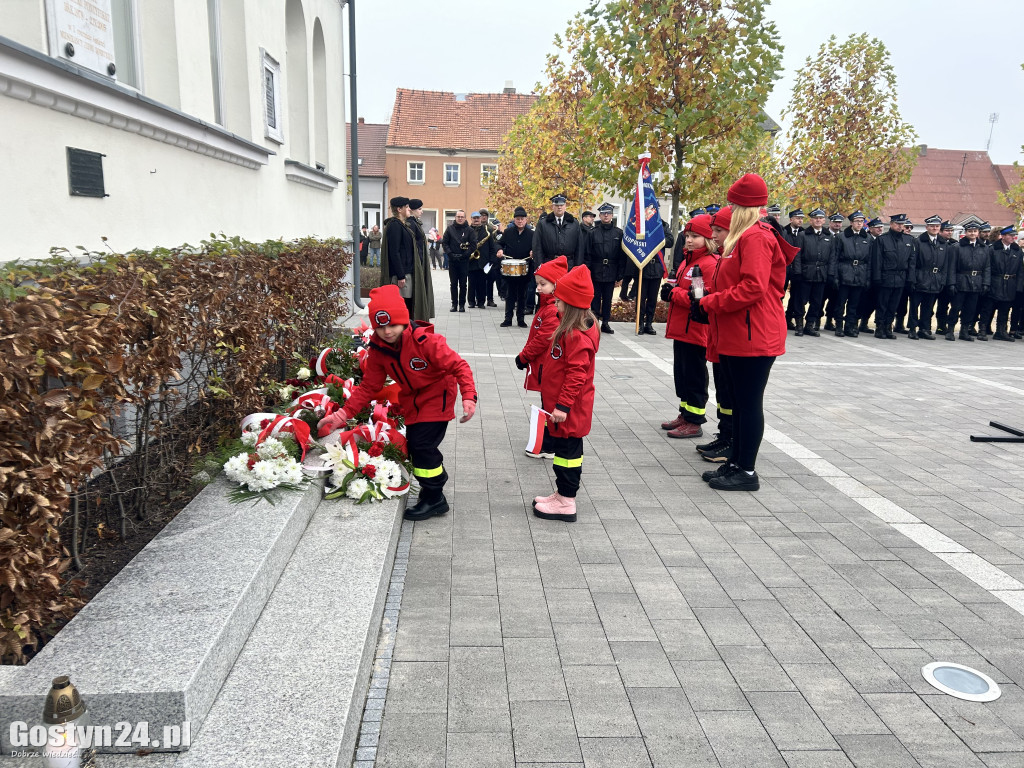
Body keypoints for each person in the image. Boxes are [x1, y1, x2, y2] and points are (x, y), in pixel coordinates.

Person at [316, 285, 477, 521]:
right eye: (380, 327)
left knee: (422, 446)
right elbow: (369, 388)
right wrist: (341, 416)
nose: (387, 332)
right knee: (416, 447)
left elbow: (459, 366)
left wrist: (469, 397)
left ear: (404, 321)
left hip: (437, 397)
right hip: (413, 400)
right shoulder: (379, 351)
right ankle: (431, 487)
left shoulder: (427, 342)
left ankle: (435, 498)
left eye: (392, 325)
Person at [689, 174, 798, 492]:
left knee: (748, 403)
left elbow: (752, 287)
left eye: (734, 204)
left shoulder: (755, 238)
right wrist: (706, 295)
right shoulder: (742, 238)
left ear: (746, 207)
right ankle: (735, 461)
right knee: (737, 401)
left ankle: (746, 471)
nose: (729, 209)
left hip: (756, 335)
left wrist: (710, 302)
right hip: (740, 333)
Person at [530, 265, 600, 522]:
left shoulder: (577, 336)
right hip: (563, 407)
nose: (555, 303)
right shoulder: (569, 328)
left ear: (570, 305)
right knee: (563, 451)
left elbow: (576, 376)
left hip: (569, 410)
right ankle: (561, 494)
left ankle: (567, 501)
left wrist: (562, 407)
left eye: (559, 301)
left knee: (568, 455)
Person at [660, 213, 718, 439]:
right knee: (682, 374)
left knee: (694, 376)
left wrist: (673, 293)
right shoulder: (689, 260)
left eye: (696, 236)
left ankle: (695, 421)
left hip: (695, 331)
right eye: (688, 236)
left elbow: (701, 298)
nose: (689, 240)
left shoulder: (707, 264)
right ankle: (685, 413)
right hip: (682, 330)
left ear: (708, 239)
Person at [516, 255, 569, 459]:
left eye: (543, 284)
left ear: (556, 285)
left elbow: (543, 339)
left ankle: (550, 444)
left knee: (550, 404)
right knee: (547, 402)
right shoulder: (547, 306)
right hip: (545, 367)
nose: (538, 288)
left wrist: (523, 357)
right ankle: (550, 441)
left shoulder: (553, 310)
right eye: (537, 283)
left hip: (550, 368)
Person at [695, 207, 735, 464]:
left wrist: (703, 299)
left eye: (718, 231)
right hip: (720, 334)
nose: (715, 235)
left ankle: (731, 440)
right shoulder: (725, 257)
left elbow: (735, 291)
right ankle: (725, 434)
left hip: (732, 335)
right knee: (723, 391)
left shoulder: (725, 257)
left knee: (731, 392)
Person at [908, 215, 955, 340]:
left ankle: (924, 328)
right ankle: (912, 329)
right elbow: (912, 262)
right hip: (920, 277)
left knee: (928, 307)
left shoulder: (943, 243)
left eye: (937, 226)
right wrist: (912, 279)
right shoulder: (918, 241)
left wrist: (942, 280)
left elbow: (945, 264)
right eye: (932, 226)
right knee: (914, 306)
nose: (934, 228)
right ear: (927, 227)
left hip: (935, 279)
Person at [870, 214, 913, 339]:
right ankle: (880, 327)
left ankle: (888, 326)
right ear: (891, 224)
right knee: (882, 303)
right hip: (886, 276)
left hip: (900, 277)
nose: (900, 226)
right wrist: (876, 277)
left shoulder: (908, 240)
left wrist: (910, 278)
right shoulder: (882, 239)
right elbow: (877, 260)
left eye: (902, 224)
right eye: (897, 224)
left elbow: (911, 261)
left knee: (893, 305)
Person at [829, 211, 871, 337]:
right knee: (841, 302)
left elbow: (870, 260)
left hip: (860, 274)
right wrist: (834, 275)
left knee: (854, 303)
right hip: (844, 272)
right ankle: (839, 326)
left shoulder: (867, 238)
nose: (859, 224)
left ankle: (849, 326)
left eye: (861, 221)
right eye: (857, 221)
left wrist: (868, 277)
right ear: (851, 222)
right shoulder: (842, 237)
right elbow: (835, 257)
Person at [584, 202, 624, 334]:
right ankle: (594, 322)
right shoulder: (592, 233)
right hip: (596, 269)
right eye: (603, 213)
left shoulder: (619, 233)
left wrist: (620, 274)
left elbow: (622, 255)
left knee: (608, 298)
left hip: (611, 269)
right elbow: (587, 253)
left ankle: (605, 322)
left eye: (608, 213)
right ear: (600, 216)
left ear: (612, 215)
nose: (606, 216)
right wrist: (587, 272)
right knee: (595, 298)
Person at [792, 208, 834, 337]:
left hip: (821, 273)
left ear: (824, 220)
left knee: (817, 302)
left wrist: (830, 273)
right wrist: (797, 272)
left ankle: (809, 325)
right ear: (810, 220)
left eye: (821, 218)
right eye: (815, 218)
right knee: (800, 300)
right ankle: (799, 324)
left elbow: (832, 257)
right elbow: (797, 255)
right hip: (806, 272)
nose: (818, 220)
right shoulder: (803, 235)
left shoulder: (829, 236)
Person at [946, 221, 990, 341]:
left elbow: (987, 267)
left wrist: (986, 283)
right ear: (965, 233)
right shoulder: (957, 247)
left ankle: (964, 331)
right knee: (956, 307)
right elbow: (952, 267)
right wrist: (951, 283)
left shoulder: (984, 248)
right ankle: (950, 329)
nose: (972, 233)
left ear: (978, 233)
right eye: (970, 231)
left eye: (975, 231)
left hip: (976, 282)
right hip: (961, 281)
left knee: (971, 309)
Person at [981, 225, 1023, 341]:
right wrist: (986, 283)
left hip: (1010, 283)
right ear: (1003, 236)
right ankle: (982, 330)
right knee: (988, 308)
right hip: (996, 281)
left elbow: (1020, 270)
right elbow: (987, 268)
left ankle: (1001, 331)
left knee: (1005, 309)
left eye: (1014, 236)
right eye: (1010, 235)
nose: (1013, 238)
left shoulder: (1016, 250)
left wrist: (1018, 286)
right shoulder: (993, 249)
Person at [498, 206, 535, 328]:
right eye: (518, 219)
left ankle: (521, 319)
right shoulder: (508, 232)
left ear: (526, 220)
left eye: (522, 219)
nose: (520, 221)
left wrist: (533, 251)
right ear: (514, 220)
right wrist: (499, 250)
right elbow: (499, 243)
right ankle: (508, 319)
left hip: (524, 269)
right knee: (510, 295)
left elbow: (537, 246)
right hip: (510, 269)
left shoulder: (531, 234)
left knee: (522, 295)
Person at [381, 197, 415, 315]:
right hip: (402, 274)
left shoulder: (402, 225)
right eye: (407, 207)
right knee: (403, 308)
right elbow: (394, 252)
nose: (409, 209)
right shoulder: (395, 226)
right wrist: (401, 275)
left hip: (406, 272)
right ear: (399, 209)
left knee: (407, 306)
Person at [533, 194, 585, 268]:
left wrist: (577, 267)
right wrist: (539, 267)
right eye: (557, 205)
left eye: (561, 205)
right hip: (549, 265)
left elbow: (579, 247)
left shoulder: (574, 223)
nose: (559, 207)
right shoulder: (543, 224)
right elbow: (537, 247)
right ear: (552, 207)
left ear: (565, 206)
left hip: (569, 266)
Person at [405, 199, 434, 322]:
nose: (421, 211)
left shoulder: (415, 223)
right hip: (416, 264)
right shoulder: (411, 223)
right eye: (419, 209)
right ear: (412, 210)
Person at [442, 210, 476, 312]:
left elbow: (473, 245)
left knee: (463, 284)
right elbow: (445, 243)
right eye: (458, 216)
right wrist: (450, 254)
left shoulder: (470, 230)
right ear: (455, 218)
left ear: (465, 218)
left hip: (464, 261)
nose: (460, 218)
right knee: (453, 284)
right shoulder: (449, 229)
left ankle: (462, 305)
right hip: (452, 260)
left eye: (462, 217)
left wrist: (465, 255)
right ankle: (454, 304)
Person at [858, 217, 884, 332]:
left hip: (878, 276)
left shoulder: (882, 240)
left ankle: (865, 323)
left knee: (874, 301)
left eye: (881, 227)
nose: (880, 229)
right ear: (870, 228)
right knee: (862, 300)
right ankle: (856, 322)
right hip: (865, 274)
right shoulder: (867, 239)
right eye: (877, 227)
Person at [468, 211, 497, 309]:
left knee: (482, 283)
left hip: (483, 261)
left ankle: (481, 302)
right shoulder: (468, 230)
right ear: (471, 219)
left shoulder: (487, 231)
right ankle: (471, 302)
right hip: (471, 260)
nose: (476, 220)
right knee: (471, 283)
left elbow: (492, 247)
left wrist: (492, 260)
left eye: (478, 218)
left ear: (480, 219)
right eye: (474, 218)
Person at [935, 220, 957, 334]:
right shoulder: (937, 242)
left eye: (951, 230)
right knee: (939, 305)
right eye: (947, 230)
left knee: (948, 304)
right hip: (937, 278)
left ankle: (946, 325)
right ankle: (939, 325)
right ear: (941, 231)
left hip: (950, 279)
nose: (950, 232)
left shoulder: (955, 244)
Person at [478, 208, 500, 306]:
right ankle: (478, 299)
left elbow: (496, 242)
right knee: (478, 280)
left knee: (490, 279)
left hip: (489, 257)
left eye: (485, 215)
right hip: (478, 257)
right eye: (481, 215)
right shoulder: (476, 227)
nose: (483, 217)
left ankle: (490, 299)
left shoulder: (491, 228)